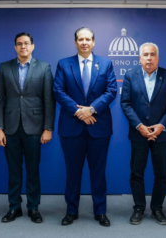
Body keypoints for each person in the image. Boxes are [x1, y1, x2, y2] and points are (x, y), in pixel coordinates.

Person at [53, 27, 117, 227]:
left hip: (99, 127)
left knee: (98, 171)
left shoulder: (105, 64)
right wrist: (79, 111)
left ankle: (100, 211)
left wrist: (92, 109)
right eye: (80, 39)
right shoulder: (64, 64)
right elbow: (58, 91)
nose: (84, 42)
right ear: (75, 42)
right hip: (71, 127)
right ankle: (71, 211)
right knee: (73, 172)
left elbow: (111, 90)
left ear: (94, 42)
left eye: (88, 39)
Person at [0, 32, 55, 223]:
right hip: (10, 128)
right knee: (13, 171)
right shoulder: (4, 67)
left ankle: (33, 208)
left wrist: (48, 128)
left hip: (35, 128)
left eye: (26, 43)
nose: (23, 47)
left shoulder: (44, 68)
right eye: (19, 44)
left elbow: (48, 100)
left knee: (33, 170)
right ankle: (14, 207)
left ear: (32, 46)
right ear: (15, 47)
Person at [121, 42, 166, 225]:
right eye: (145, 54)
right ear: (140, 58)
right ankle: (138, 208)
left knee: (161, 174)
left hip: (161, 134)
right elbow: (126, 103)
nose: (149, 58)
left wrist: (161, 125)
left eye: (152, 54)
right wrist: (140, 126)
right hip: (139, 134)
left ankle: (157, 209)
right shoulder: (130, 75)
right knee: (136, 173)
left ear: (157, 58)